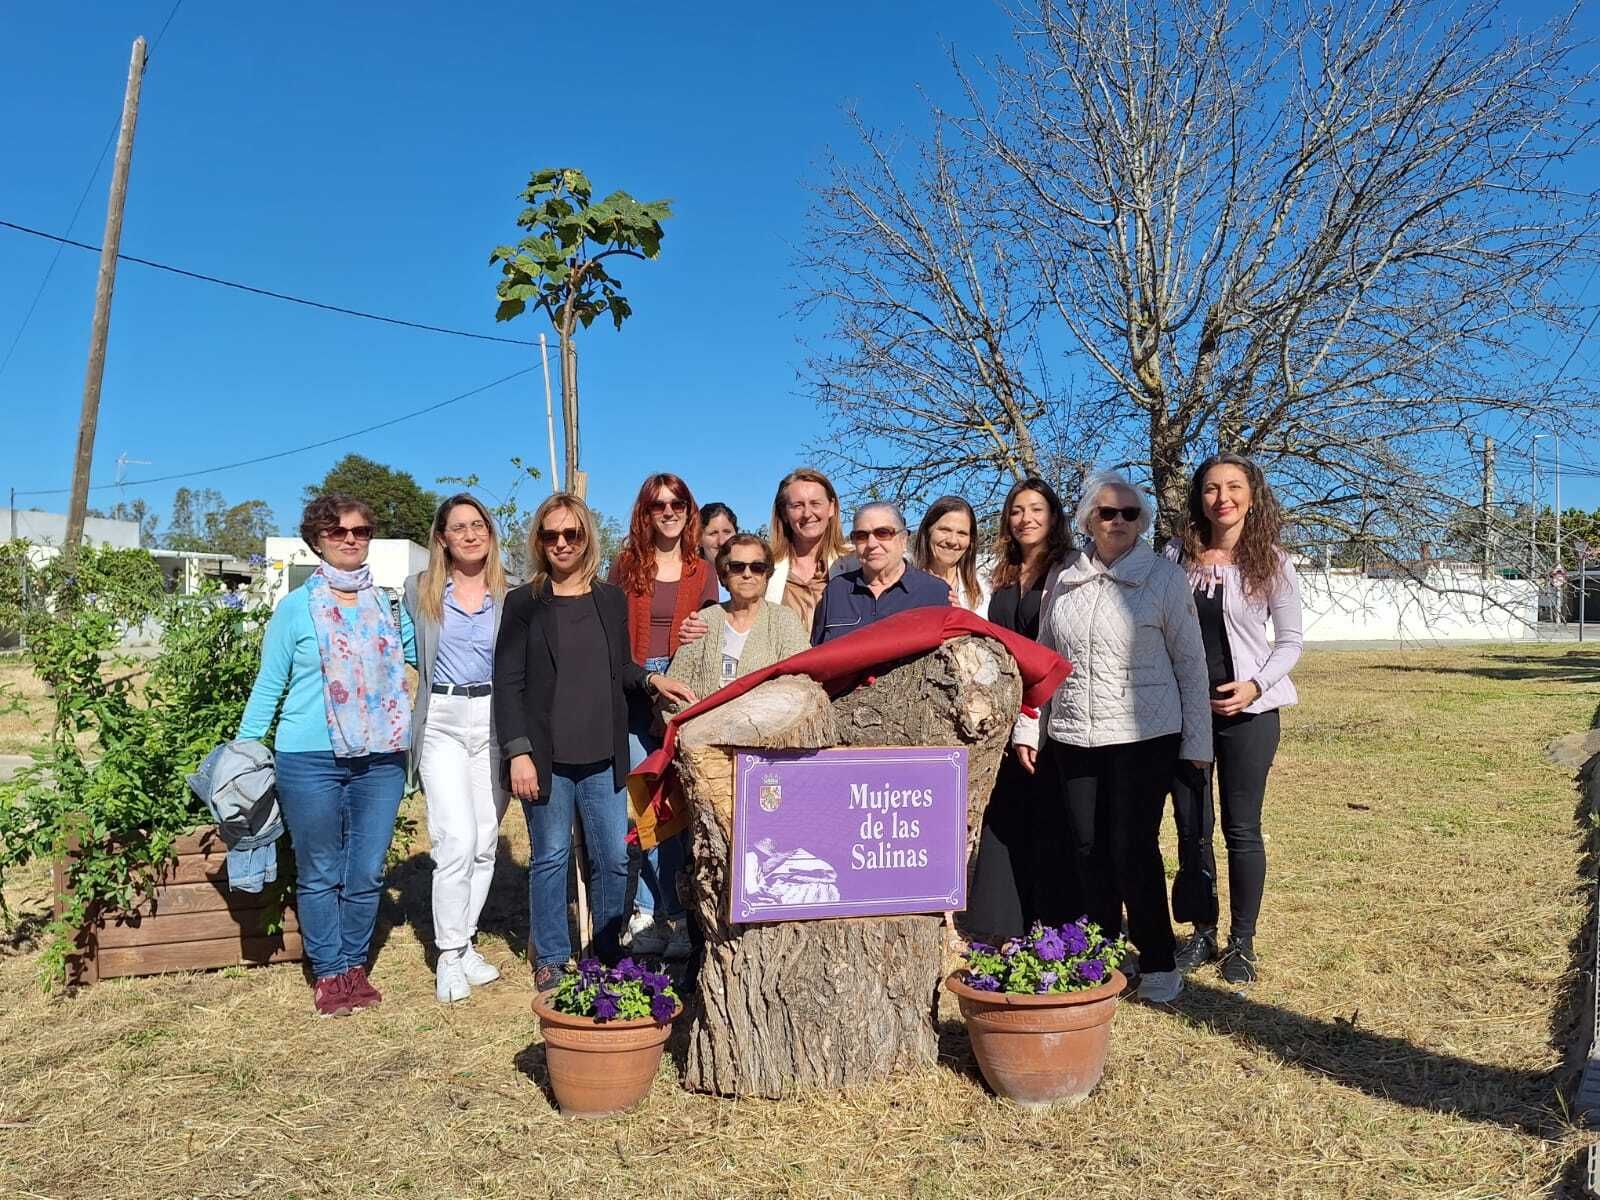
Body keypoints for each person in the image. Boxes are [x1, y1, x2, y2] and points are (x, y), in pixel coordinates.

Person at [1012, 471, 1211, 1004]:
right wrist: (1030, 725)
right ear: (1087, 521)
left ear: (1142, 521)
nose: (1117, 521)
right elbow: (1044, 660)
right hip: (1076, 731)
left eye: (1128, 513)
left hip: (1145, 734)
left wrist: (1198, 744)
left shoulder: (1164, 580)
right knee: (1086, 847)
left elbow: (1191, 666)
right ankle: (1102, 948)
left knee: (1132, 846)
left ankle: (1159, 958)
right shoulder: (1065, 577)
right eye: (1106, 513)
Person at [493, 493, 696, 991]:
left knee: (611, 856)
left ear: (586, 538)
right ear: (539, 541)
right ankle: (553, 955)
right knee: (551, 857)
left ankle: (607, 947)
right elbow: (508, 683)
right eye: (551, 535)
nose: (561, 543)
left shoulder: (610, 599)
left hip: (603, 753)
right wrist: (518, 751)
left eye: (572, 534)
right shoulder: (524, 603)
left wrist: (650, 682)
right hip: (545, 757)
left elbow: (620, 669)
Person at [238, 494, 412, 1019]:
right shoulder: (295, 609)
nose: (351, 539)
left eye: (360, 531)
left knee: (366, 870)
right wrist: (245, 755)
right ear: (317, 540)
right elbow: (270, 685)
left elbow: (427, 652)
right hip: (309, 756)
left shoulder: (388, 606)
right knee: (320, 870)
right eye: (338, 532)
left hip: (381, 756)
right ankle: (330, 971)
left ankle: (354, 964)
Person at [1166, 453, 1303, 985]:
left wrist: (1254, 687)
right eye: (1211, 488)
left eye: (1233, 486)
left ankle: (1241, 942)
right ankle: (1201, 930)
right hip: (1185, 712)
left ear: (1252, 495)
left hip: (1250, 714)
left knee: (1241, 828)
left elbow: (1290, 642)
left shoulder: (1272, 562)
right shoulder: (1176, 557)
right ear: (1199, 498)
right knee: (1190, 826)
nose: (1222, 497)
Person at [606, 473, 718, 958]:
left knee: (676, 806)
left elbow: (716, 631)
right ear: (645, 512)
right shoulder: (626, 565)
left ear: (689, 510)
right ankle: (648, 912)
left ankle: (676, 913)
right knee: (643, 801)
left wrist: (700, 629)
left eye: (677, 503)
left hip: (684, 691)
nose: (668, 511)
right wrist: (644, 678)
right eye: (658, 505)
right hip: (634, 690)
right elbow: (612, 637)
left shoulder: (702, 569)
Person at [403, 493, 508, 1004]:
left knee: (487, 838)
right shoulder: (419, 590)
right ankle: (448, 956)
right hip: (442, 719)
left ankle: (464, 943)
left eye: (478, 525)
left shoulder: (510, 594)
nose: (470, 534)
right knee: (455, 839)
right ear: (442, 537)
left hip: (492, 720)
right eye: (458, 527)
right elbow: (401, 650)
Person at [963, 478, 1076, 942]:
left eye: (1036, 509)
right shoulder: (1002, 571)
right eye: (1016, 510)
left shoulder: (1068, 569)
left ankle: (1052, 921)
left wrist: (1035, 714)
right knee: (1007, 812)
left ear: (1053, 516)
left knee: (1052, 817)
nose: (1025, 518)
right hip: (1008, 710)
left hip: (1052, 703)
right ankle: (1000, 925)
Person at [664, 533, 811, 701]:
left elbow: (802, 683)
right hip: (704, 724)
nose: (747, 574)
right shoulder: (703, 621)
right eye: (737, 566)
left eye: (757, 567)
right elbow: (675, 687)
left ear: (766, 575)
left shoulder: (784, 621)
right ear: (724, 575)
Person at [811, 502, 950, 644]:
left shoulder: (935, 593)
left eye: (883, 533)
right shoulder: (837, 591)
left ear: (903, 540)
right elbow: (818, 654)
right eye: (861, 535)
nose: (871, 544)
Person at [913, 495, 987, 613]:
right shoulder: (904, 586)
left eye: (962, 533)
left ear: (970, 541)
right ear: (927, 532)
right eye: (945, 530)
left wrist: (962, 620)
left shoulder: (984, 589)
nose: (952, 541)